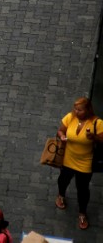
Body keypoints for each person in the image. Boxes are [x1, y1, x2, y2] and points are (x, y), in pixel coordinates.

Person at [55, 97, 103, 230]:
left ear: (88, 110)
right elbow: (60, 130)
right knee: (63, 180)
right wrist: (62, 136)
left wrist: (93, 137)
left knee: (82, 189)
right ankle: (60, 195)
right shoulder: (70, 117)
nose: (77, 112)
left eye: (80, 110)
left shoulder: (97, 123)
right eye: (75, 109)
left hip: (85, 162)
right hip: (67, 158)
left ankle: (82, 213)